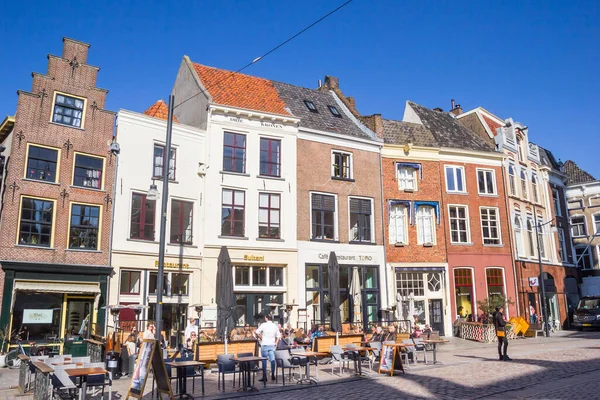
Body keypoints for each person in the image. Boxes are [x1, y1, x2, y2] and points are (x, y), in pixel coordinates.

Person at [255, 314, 281, 382]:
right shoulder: (275, 325)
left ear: (266, 318)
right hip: (272, 345)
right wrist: (276, 343)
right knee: (272, 360)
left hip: (265, 344)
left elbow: (257, 331)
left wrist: (260, 336)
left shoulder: (263, 325)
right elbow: (278, 336)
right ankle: (272, 374)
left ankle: (264, 376)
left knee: (264, 361)